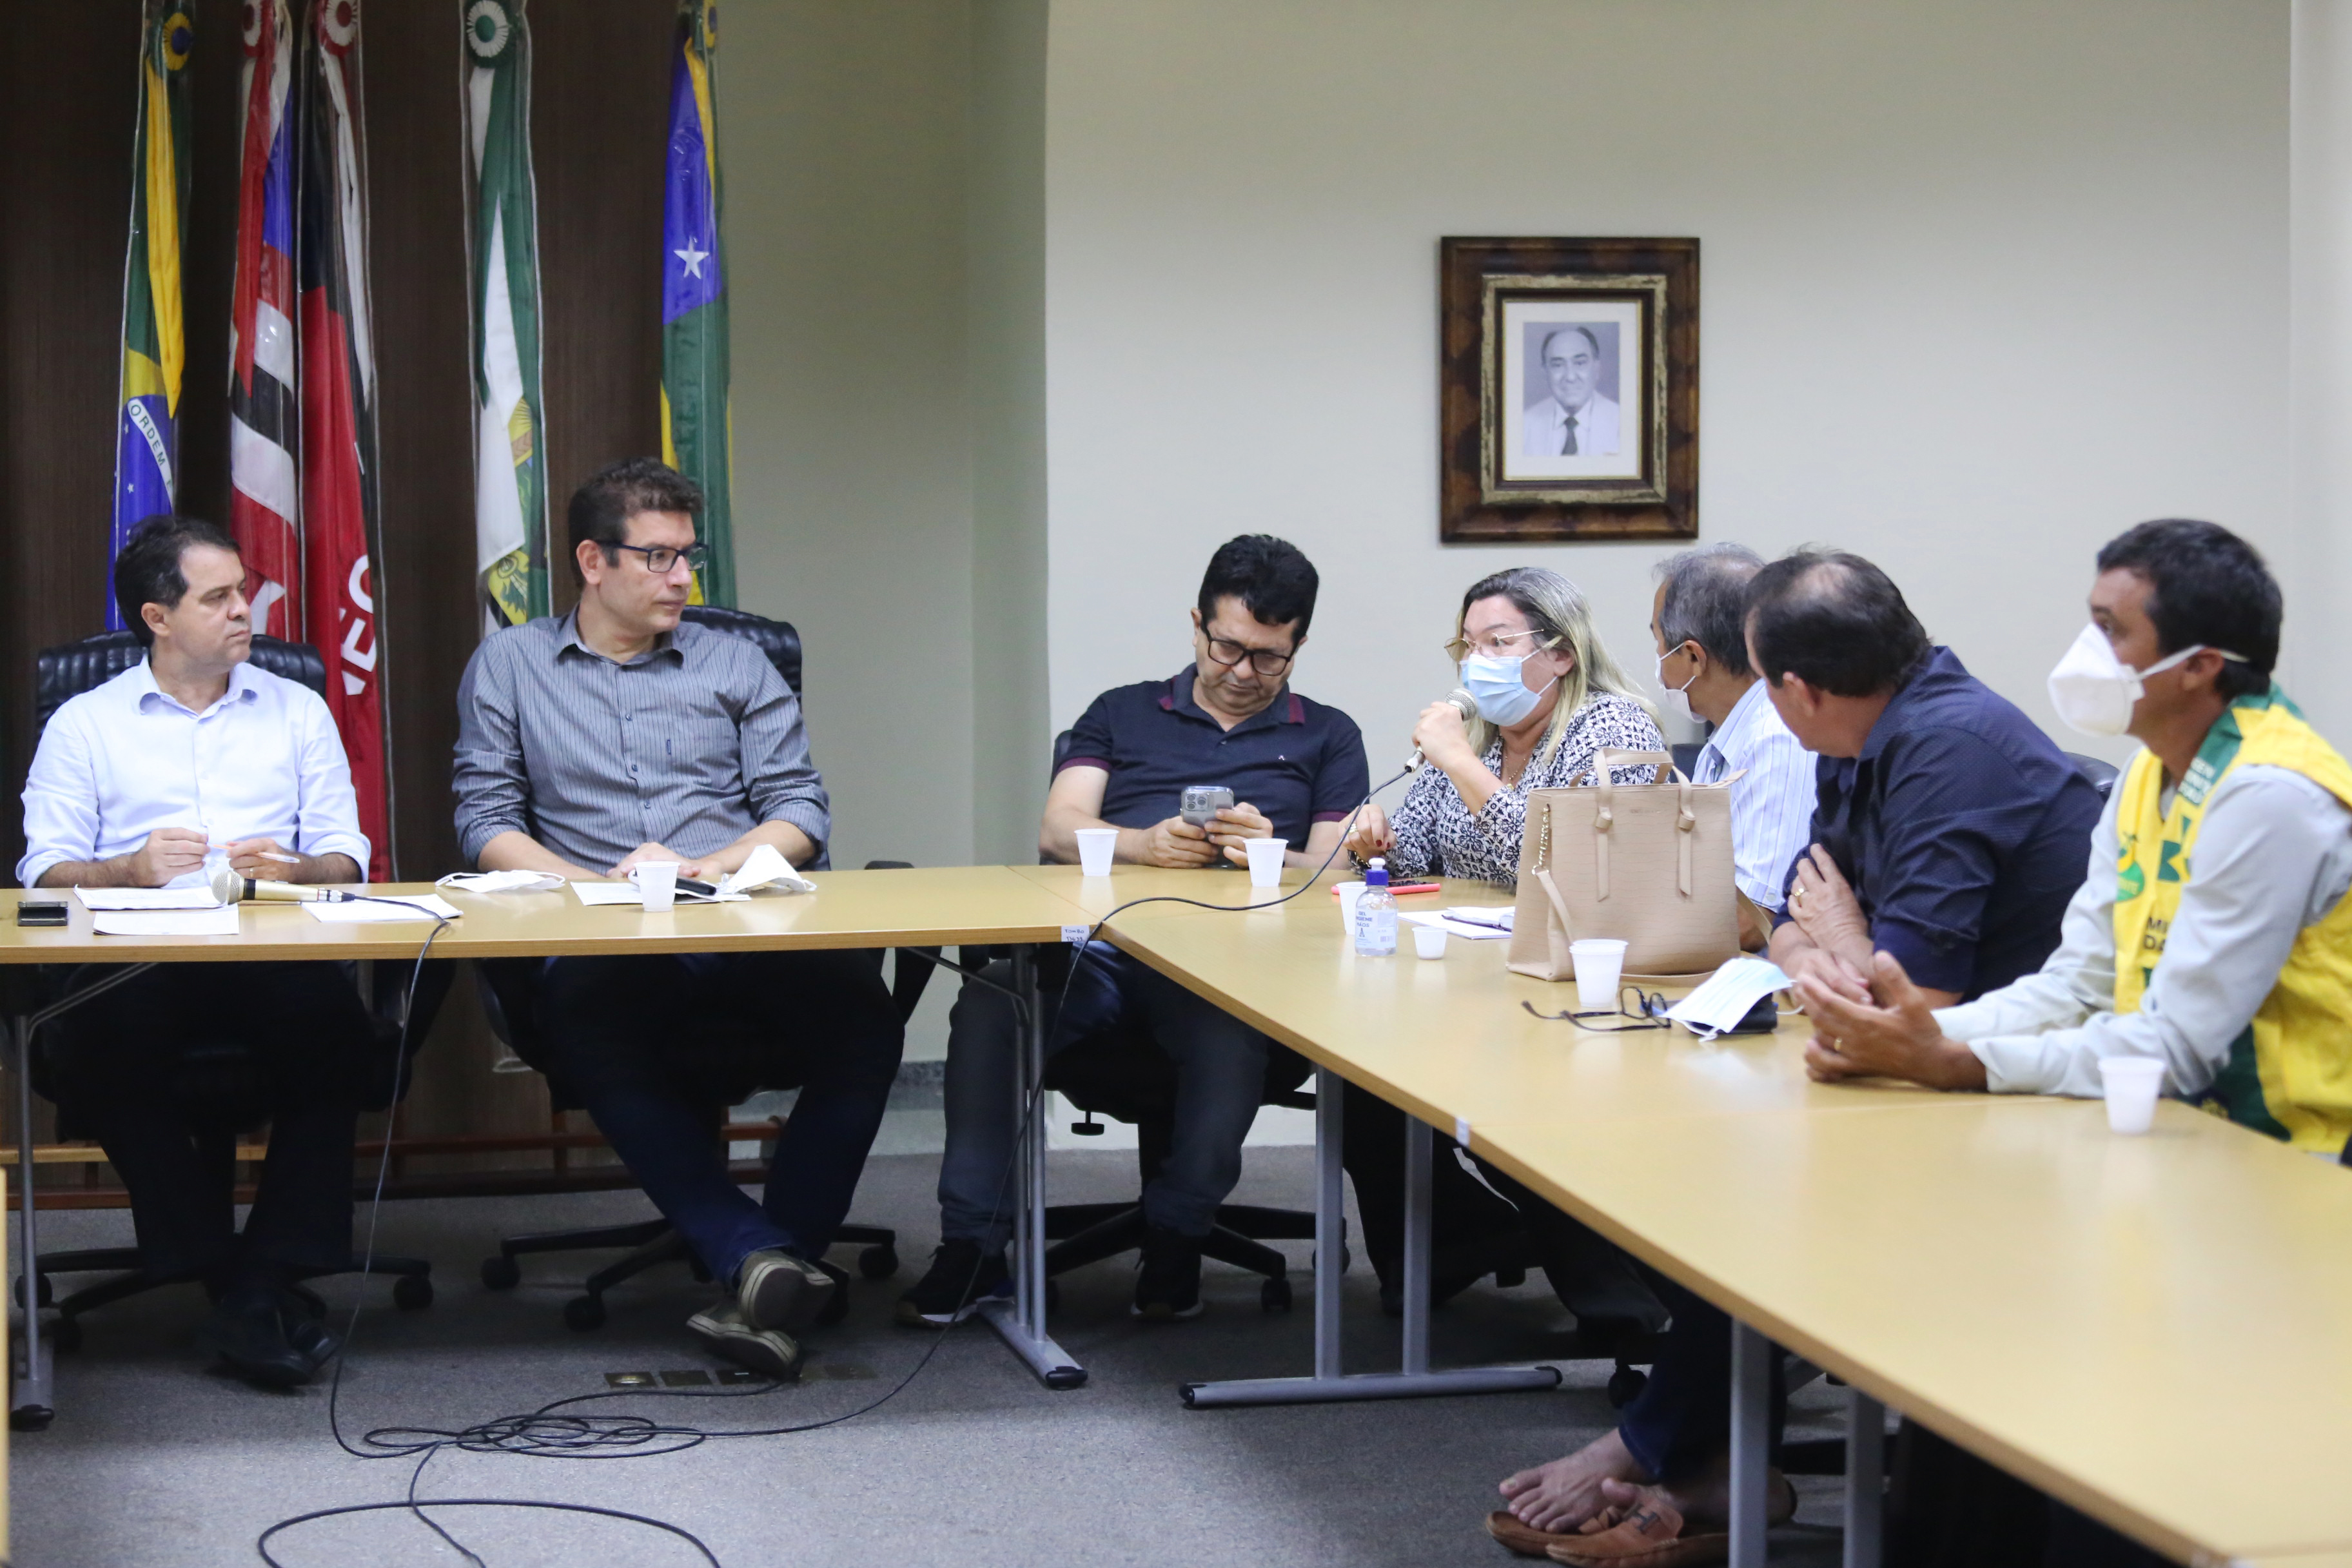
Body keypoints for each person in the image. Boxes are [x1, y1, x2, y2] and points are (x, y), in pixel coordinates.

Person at [1491, 548, 2102, 1563]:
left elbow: (1909, 995)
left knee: (1758, 1188)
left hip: (2023, 1089)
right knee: (1711, 1163)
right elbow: (1790, 919)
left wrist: (1844, 940)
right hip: (1920, 1070)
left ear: (1800, 690)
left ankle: (1676, 1455)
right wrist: (1828, 945)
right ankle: (1702, 1457)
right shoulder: (1855, 731)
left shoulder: (1948, 748)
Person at [1798, 521, 2349, 1567]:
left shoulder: (2271, 797)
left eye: (2111, 630)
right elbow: (2076, 983)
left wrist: (1952, 1061)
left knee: (2052, 1375)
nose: (2086, 653)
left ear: (2199, 667)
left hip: (2275, 1176)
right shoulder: (2148, 775)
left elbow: (2174, 1046)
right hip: (2158, 1149)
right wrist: (1907, 1034)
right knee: (1973, 1346)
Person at [452, 458, 904, 1381]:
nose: (682, 578)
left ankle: (767, 1259)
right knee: (584, 1015)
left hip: (737, 908)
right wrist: (594, 885)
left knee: (864, 1016)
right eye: (658, 557)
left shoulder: (735, 660)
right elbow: (485, 820)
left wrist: (708, 867)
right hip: (604, 923)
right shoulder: (511, 663)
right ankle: (758, 1257)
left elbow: (800, 810)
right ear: (593, 561)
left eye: (688, 556)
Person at [897, 535, 1368, 1326]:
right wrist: (1143, 844)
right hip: (1104, 955)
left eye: (1269, 657)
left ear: (1299, 645)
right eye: (1228, 647)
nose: (1242, 672)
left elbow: (1336, 871)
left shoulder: (1328, 734)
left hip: (1235, 970)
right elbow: (1058, 828)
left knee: (1229, 1036)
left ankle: (1178, 1233)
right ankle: (971, 1246)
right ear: (1197, 624)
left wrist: (1267, 852)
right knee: (991, 1003)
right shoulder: (1120, 711)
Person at [19, 515, 375, 1388]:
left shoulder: (296, 708)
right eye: (218, 598)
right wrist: (128, 868)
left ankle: (248, 1279)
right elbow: (43, 872)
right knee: (98, 1043)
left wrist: (298, 867)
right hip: (138, 956)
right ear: (158, 617)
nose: (245, 610)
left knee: (338, 1035)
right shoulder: (85, 723)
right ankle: (240, 1282)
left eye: (242, 591)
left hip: (270, 949)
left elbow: (347, 856)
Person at [1342, 566, 1665, 1315]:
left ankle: (1617, 1295)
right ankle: (1456, 1242)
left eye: (1498, 642)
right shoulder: (1481, 736)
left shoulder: (1610, 728)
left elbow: (1568, 867)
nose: (1475, 661)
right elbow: (1415, 852)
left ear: (1561, 652)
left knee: (1505, 1093)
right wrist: (1375, 841)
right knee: (1362, 1075)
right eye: (1467, 645)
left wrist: (1459, 763)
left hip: (1578, 975)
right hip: (1473, 972)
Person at [1649, 543, 1815, 935]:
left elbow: (1755, 919)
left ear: (1693, 656)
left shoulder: (1776, 737)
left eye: (1658, 642)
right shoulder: (1727, 736)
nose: (1657, 656)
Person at [1522, 326, 1621, 457]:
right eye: (1558, 365)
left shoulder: (1622, 423)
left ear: (1597, 368)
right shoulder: (1524, 425)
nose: (1570, 377)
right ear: (1545, 371)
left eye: (1580, 363)